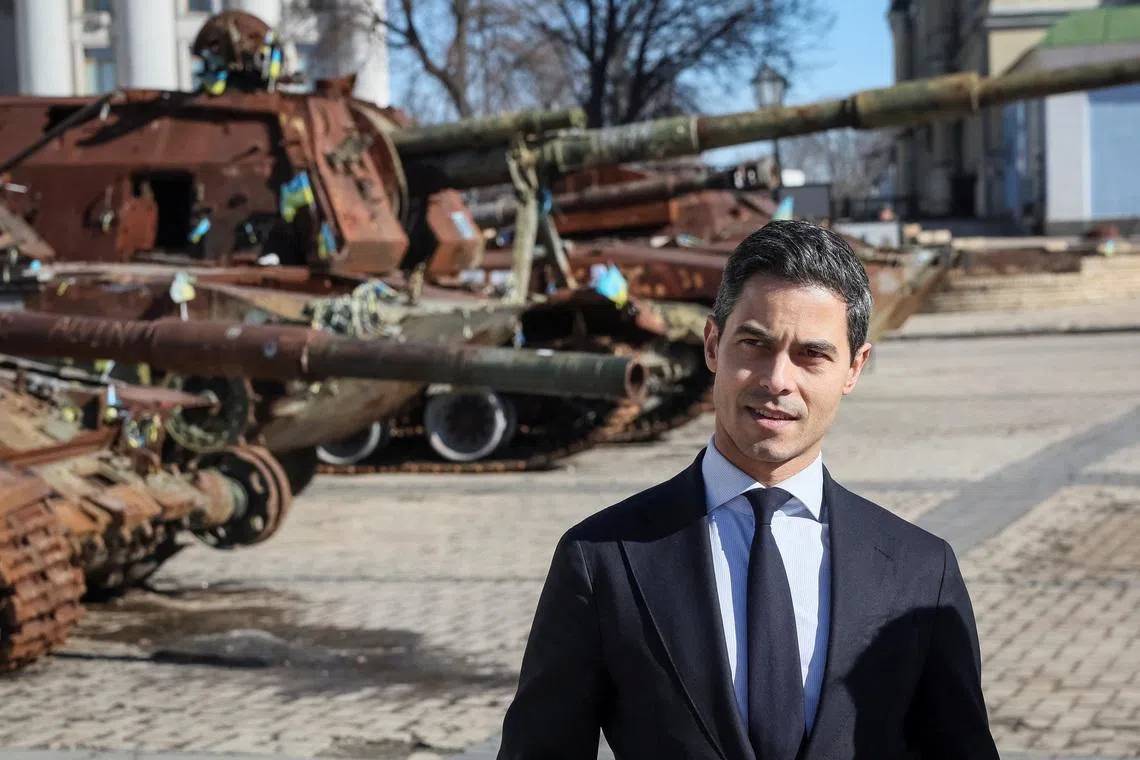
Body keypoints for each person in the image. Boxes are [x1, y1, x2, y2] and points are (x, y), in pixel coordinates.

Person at [496, 220, 999, 760]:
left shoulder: (922, 572)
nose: (777, 378)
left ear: (854, 368)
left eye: (812, 354)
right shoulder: (602, 561)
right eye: (754, 344)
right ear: (713, 345)